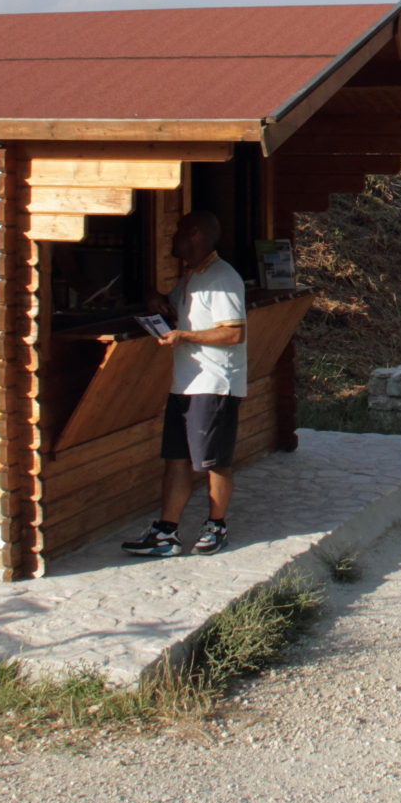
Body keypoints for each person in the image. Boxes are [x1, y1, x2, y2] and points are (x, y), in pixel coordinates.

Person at [121, 210, 248, 558]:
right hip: (185, 384)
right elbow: (174, 306)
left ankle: (216, 526)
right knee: (176, 459)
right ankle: (166, 533)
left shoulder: (223, 277)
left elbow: (234, 332)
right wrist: (154, 300)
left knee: (214, 461)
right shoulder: (192, 276)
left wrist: (184, 336)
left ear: (194, 233)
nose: (171, 238)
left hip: (214, 383)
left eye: (177, 231)